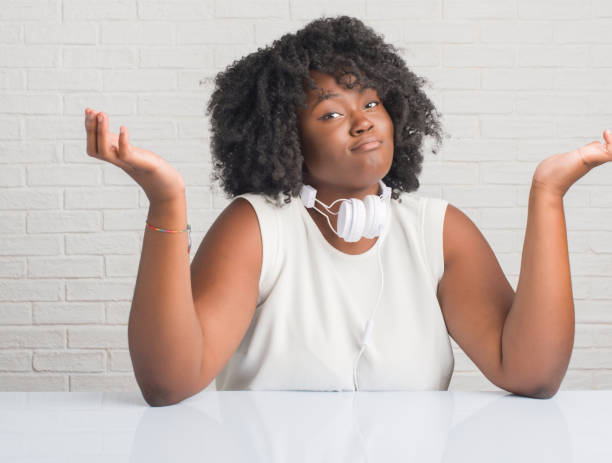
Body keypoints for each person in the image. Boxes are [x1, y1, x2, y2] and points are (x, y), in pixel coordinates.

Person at [84, 15, 611, 406]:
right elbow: (168, 383)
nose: (363, 122)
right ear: (285, 138)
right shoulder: (257, 228)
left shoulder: (437, 231)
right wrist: (165, 201)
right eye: (331, 112)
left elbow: (532, 374)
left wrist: (548, 194)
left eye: (372, 103)